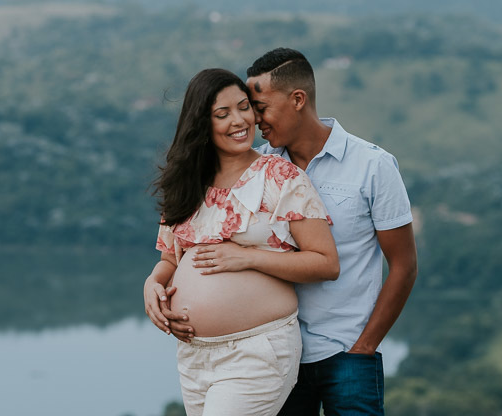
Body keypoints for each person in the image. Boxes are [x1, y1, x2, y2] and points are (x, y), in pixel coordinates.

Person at [186, 48, 418, 415]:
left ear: (297, 99)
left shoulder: (373, 166)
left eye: (259, 107)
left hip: (347, 352)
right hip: (276, 350)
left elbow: (404, 266)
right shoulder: (257, 168)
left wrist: (365, 346)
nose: (254, 120)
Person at [143, 68, 339, 416]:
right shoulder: (187, 184)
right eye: (222, 114)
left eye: (244, 107)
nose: (239, 120)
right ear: (201, 123)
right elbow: (170, 260)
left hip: (255, 351)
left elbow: (325, 262)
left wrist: (247, 257)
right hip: (194, 355)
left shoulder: (281, 177)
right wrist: (152, 284)